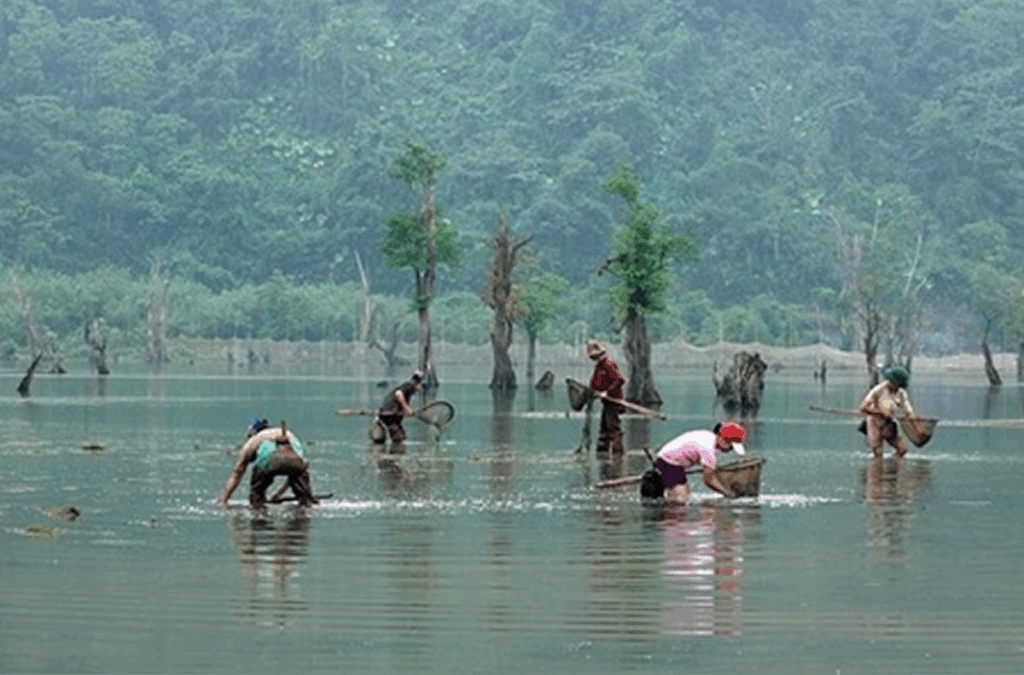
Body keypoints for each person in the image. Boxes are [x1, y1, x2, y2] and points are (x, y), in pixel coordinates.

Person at [218, 418, 318, 508]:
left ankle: (258, 508)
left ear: (253, 433)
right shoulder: (288, 434)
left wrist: (223, 500)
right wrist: (278, 495)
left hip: (268, 458)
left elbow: (237, 474)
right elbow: (299, 469)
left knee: (257, 493)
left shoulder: (253, 440)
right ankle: (306, 506)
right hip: (295, 460)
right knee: (304, 499)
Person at [642, 421, 747, 503]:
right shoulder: (708, 448)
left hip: (674, 463)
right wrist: (727, 493)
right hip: (669, 463)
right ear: (724, 440)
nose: (729, 450)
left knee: (685, 495)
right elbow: (709, 480)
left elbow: (710, 471)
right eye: (730, 447)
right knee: (680, 501)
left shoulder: (708, 438)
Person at [857, 365, 915, 458]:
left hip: (889, 424)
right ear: (892, 382)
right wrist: (880, 413)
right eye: (896, 385)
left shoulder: (901, 393)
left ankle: (892, 467)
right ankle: (877, 469)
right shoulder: (878, 390)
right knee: (878, 453)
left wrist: (912, 419)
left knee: (902, 450)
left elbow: (909, 411)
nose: (897, 388)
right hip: (874, 423)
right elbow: (863, 408)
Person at [586, 340, 626, 454]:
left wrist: (607, 392)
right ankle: (603, 453)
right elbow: (594, 382)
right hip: (606, 403)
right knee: (604, 428)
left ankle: (618, 454)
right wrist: (590, 390)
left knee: (613, 426)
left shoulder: (609, 363)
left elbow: (620, 380)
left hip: (614, 400)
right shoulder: (599, 366)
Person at [377, 369, 425, 445]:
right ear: (419, 383)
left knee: (401, 436)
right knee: (399, 437)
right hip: (389, 413)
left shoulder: (409, 389)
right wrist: (407, 408)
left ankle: (394, 453)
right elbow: (398, 394)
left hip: (391, 414)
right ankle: (396, 454)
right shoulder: (410, 385)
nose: (422, 388)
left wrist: (405, 411)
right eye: (422, 385)